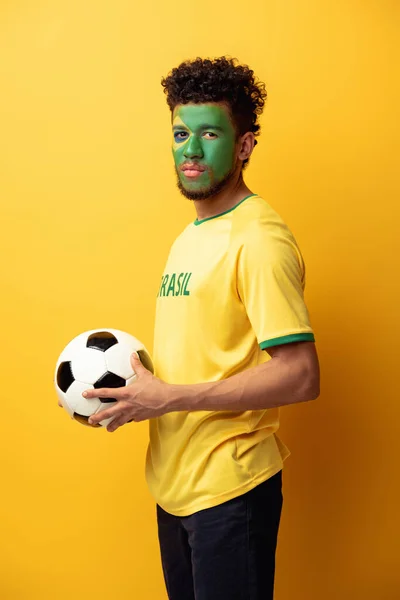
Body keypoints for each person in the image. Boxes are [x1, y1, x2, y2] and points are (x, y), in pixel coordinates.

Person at [83, 56, 320, 599]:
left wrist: (167, 398)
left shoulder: (259, 240)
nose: (190, 149)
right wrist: (111, 391)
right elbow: (201, 354)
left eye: (209, 133)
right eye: (180, 133)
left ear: (244, 146)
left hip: (230, 491)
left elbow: (301, 375)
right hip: (176, 487)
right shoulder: (191, 235)